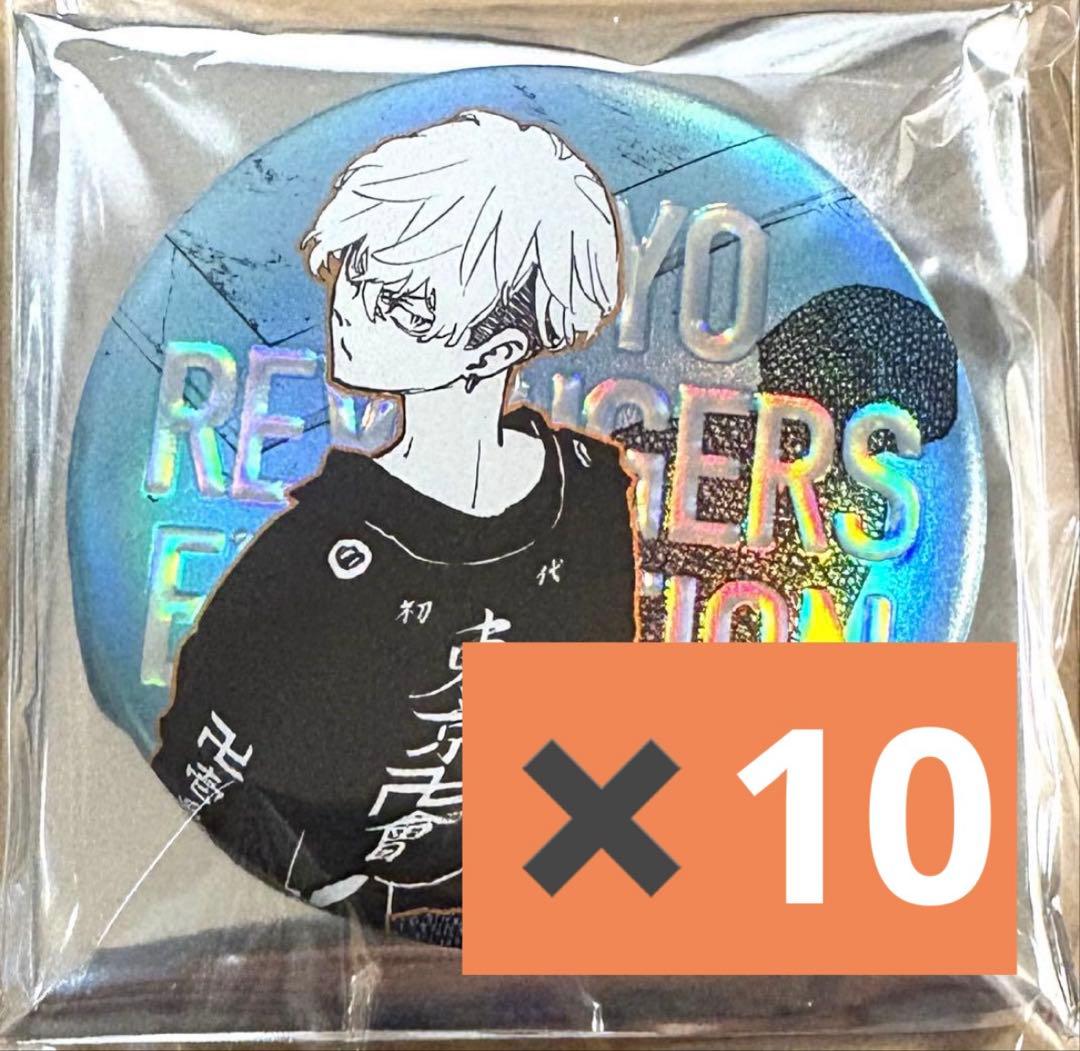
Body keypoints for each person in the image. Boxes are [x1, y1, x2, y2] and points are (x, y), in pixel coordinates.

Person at [151, 109, 639, 947]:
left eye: (402, 302)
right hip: (331, 938)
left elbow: (607, 723)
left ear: (497, 349)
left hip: (542, 915)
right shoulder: (322, 547)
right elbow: (200, 763)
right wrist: (321, 888)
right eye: (355, 272)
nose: (351, 310)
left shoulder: (589, 496)